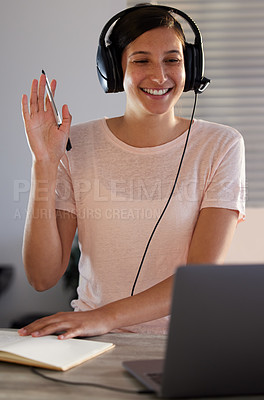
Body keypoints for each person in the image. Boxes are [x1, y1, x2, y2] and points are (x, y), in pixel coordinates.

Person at [19, 4, 245, 340]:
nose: (160, 76)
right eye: (141, 60)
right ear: (112, 69)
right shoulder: (75, 143)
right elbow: (42, 277)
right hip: (90, 339)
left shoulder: (220, 145)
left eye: (173, 59)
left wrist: (104, 317)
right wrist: (45, 163)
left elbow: (200, 275)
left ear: (191, 67)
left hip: (183, 341)